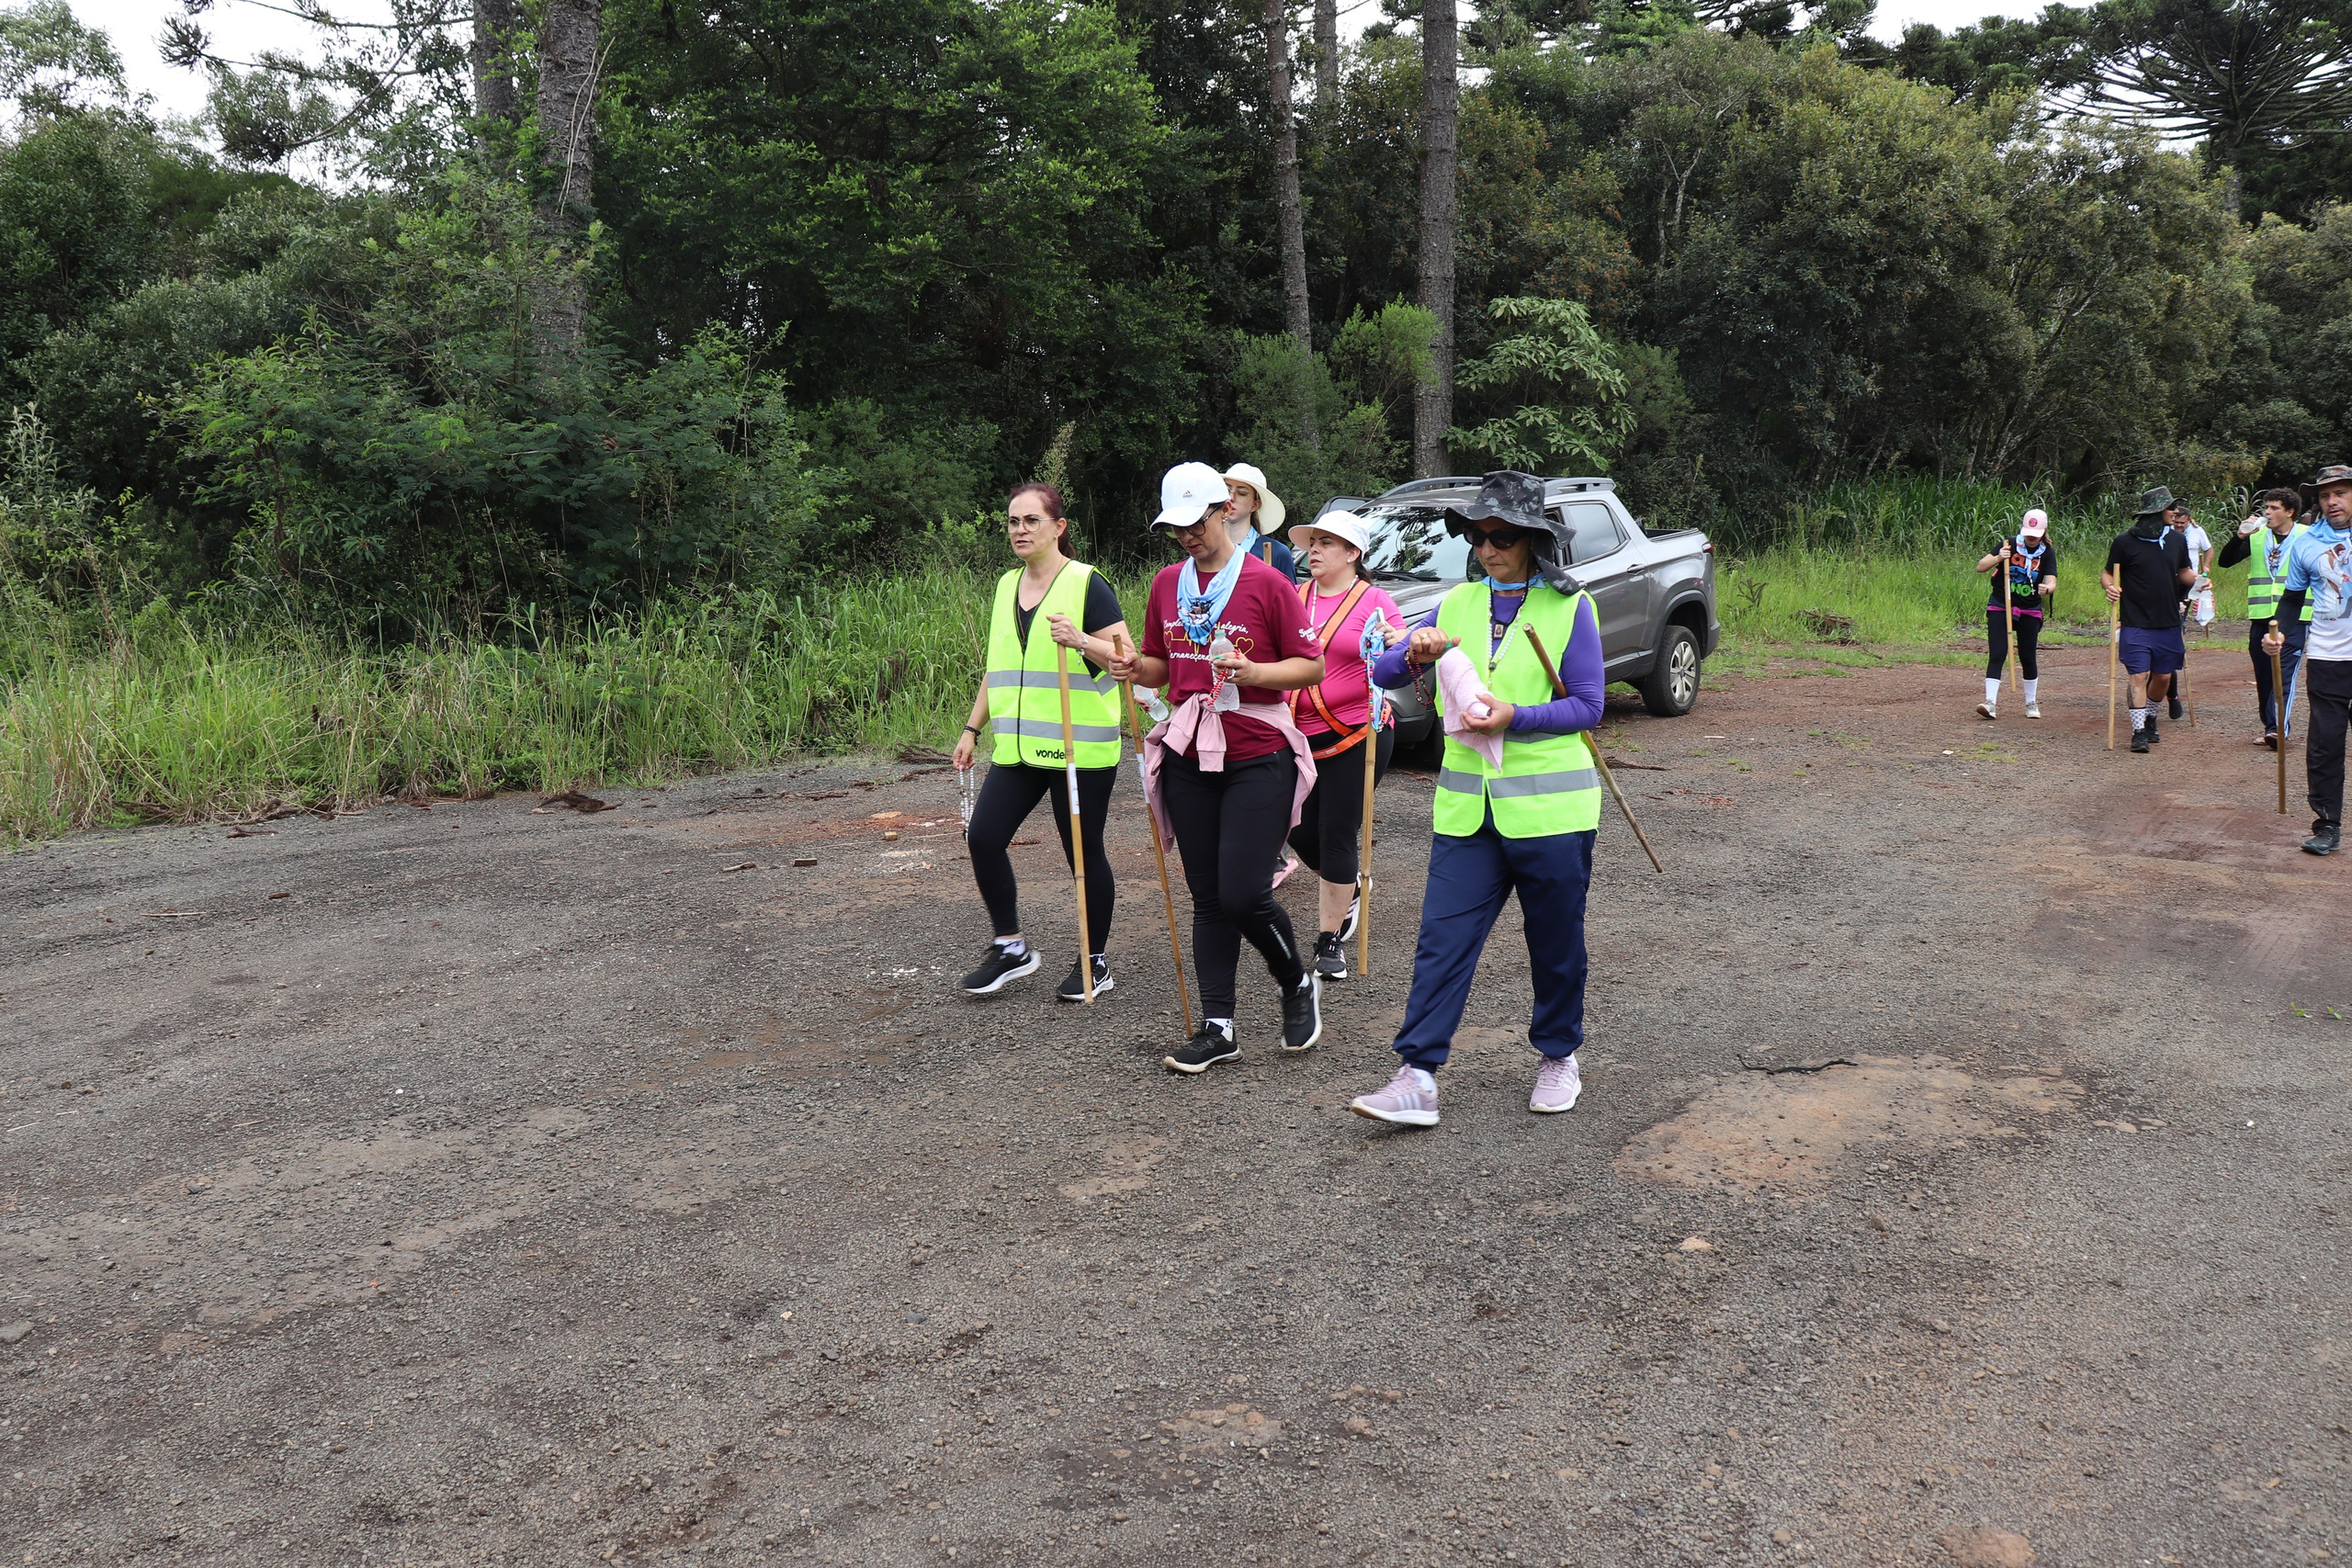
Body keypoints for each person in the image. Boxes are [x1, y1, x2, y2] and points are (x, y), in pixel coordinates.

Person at [1345, 470, 1607, 1129]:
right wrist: (1414, 653)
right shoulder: (1457, 603)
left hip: (1552, 811)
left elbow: (1589, 706)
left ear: (1532, 540)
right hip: (1469, 812)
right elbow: (1379, 671)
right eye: (1479, 535)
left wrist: (1514, 714)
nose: (1489, 547)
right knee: (1442, 939)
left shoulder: (1570, 606)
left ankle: (1557, 1054)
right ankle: (1417, 1074)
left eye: (1503, 536)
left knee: (1555, 944)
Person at [1107, 462, 1327, 1071]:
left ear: (1223, 510)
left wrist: (1257, 674)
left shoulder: (1265, 581)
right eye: (1173, 526)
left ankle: (1295, 982)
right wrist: (1133, 669)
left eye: (1194, 521)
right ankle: (1218, 1025)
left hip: (1257, 750)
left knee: (1242, 892)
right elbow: (1160, 664)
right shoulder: (1164, 584)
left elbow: (1308, 666)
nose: (1186, 535)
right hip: (1188, 750)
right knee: (1207, 896)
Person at [951, 483, 1132, 1001]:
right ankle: (1010, 947)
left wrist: (1082, 640)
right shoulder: (1006, 587)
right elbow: (998, 667)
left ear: (1058, 527)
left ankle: (1093, 962)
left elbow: (1125, 660)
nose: (1020, 530)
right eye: (1013, 522)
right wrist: (972, 727)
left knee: (1083, 853)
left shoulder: (1087, 584)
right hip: (1020, 746)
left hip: (1081, 748)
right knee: (983, 837)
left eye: (1031, 520)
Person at [1282, 510, 1403, 979]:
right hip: (1296, 736)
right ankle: (1348, 887)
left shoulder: (1375, 601)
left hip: (1359, 734)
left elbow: (1401, 655)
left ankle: (1329, 939)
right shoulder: (1293, 597)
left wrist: (1399, 644)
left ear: (1353, 553)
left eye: (1326, 543)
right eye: (1312, 541)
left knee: (1336, 832)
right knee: (1291, 826)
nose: (1313, 549)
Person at [2262, 464, 2352, 855]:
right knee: (2325, 744)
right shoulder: (2306, 543)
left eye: (2341, 493)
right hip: (2328, 657)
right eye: (2325, 495)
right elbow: (2293, 599)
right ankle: (2327, 824)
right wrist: (2277, 634)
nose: (2332, 502)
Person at [2105, 487, 2197, 754]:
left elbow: (2184, 573)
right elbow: (2107, 574)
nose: (2176, 512)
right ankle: (2139, 732)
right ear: (2157, 513)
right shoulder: (2124, 542)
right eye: (2170, 508)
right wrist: (2109, 587)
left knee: (2163, 678)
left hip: (2168, 620)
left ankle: (2151, 716)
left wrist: (2199, 581)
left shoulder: (2177, 541)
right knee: (2138, 676)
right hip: (2135, 621)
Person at [2217, 488, 2310, 748]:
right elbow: (2225, 562)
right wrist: (2238, 538)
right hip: (2261, 616)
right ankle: (2269, 724)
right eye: (2265, 508)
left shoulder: (2307, 536)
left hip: (2295, 617)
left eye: (2273, 508)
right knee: (2264, 675)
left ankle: (2278, 729)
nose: (2267, 513)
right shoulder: (2258, 537)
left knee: (2285, 673)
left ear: (2290, 512)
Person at [1973, 508, 2056, 720]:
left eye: (2035, 534)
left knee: (2027, 656)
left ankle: (2031, 702)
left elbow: (2051, 580)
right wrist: (1999, 558)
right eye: (2029, 532)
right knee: (1998, 652)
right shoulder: (2009, 544)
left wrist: (2047, 589)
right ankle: (1990, 702)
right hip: (2001, 605)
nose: (2031, 537)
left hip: (2030, 609)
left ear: (2044, 531)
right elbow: (1981, 567)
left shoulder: (2047, 552)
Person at [2168, 506, 2216, 716]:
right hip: (2164, 585)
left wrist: (2205, 569)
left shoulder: (2197, 532)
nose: (2179, 526)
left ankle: (2172, 695)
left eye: (2183, 523)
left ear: (2189, 521)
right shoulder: (2164, 533)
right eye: (2176, 522)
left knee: (2172, 635)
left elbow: (2209, 549)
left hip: (2188, 583)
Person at [1223, 462, 1298, 581]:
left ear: (1255, 505)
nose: (1231, 497)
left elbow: (1289, 599)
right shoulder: (1206, 549)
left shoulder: (1277, 553)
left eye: (1242, 493)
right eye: (1227, 489)